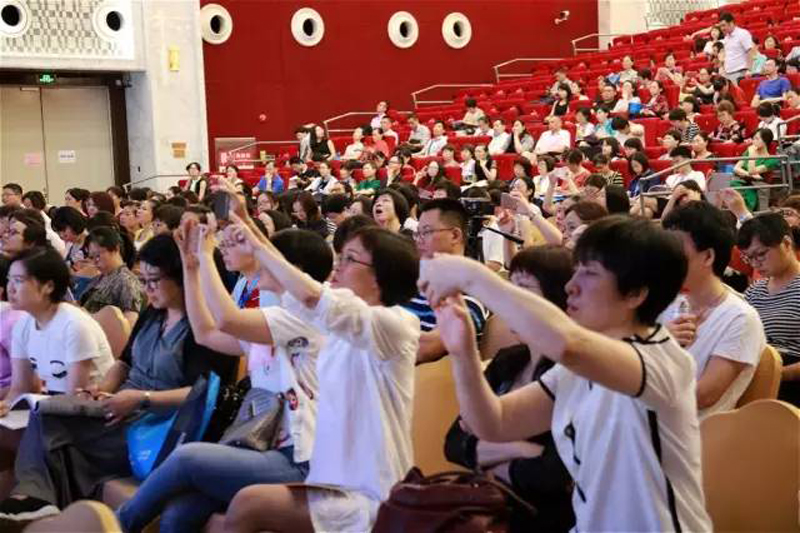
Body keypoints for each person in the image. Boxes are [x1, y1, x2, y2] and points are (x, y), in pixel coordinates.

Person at [418, 216, 712, 532]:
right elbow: (493, 422)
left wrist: (470, 275)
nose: (571, 286)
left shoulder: (662, 361)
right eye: (576, 269)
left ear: (635, 294)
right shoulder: (575, 367)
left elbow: (569, 344)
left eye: (590, 272)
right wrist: (462, 351)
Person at [115, 220, 332, 533]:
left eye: (268, 254)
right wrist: (191, 267)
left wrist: (206, 255)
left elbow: (227, 320)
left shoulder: (300, 317)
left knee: (187, 458)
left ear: (293, 270)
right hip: (262, 447)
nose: (260, 257)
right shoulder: (271, 319)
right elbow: (205, 333)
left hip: (299, 458)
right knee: (178, 513)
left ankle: (115, 525)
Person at [222, 222, 420, 533]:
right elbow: (293, 292)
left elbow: (312, 298)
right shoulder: (334, 327)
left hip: (370, 492)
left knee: (248, 503)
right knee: (205, 509)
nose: (337, 265)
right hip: (329, 481)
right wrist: (248, 239)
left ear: (380, 276)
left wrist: (256, 242)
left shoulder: (396, 324)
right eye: (340, 256)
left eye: (350, 259)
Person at [444, 245, 576, 532]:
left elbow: (552, 474)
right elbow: (453, 444)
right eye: (510, 290)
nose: (511, 303)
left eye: (524, 290)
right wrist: (518, 448)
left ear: (560, 299)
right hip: (491, 510)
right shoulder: (507, 361)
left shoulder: (574, 373)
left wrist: (484, 453)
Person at [662, 202, 765, 417]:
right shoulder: (667, 303)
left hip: (691, 432)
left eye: (675, 250)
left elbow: (702, 396)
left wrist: (656, 346)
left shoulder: (741, 318)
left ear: (708, 256)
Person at [406, 199, 489, 364]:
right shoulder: (410, 282)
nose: (419, 240)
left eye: (426, 232)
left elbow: (425, 349)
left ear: (455, 235)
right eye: (417, 233)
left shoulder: (472, 293)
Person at [739, 214, 800, 406]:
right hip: (755, 374)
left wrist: (778, 374)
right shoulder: (754, 292)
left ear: (786, 244)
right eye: (749, 258)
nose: (755, 263)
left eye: (761, 254)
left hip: (790, 379)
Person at [79, 227, 144, 324]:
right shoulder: (99, 278)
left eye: (98, 256)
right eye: (92, 257)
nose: (95, 261)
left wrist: (90, 317)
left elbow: (130, 324)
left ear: (116, 249)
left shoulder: (126, 281)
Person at [733, 128, 777, 211]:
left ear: (765, 141)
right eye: (753, 139)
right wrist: (751, 175)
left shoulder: (771, 159)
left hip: (756, 186)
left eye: (757, 139)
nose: (753, 141)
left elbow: (751, 171)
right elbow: (736, 168)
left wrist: (752, 155)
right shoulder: (748, 151)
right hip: (740, 181)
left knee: (747, 198)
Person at [719, 11, 756, 83]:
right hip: (728, 73)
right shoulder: (726, 37)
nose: (722, 28)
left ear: (731, 23)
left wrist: (749, 70)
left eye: (723, 25)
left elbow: (750, 51)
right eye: (721, 26)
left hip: (740, 72)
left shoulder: (742, 33)